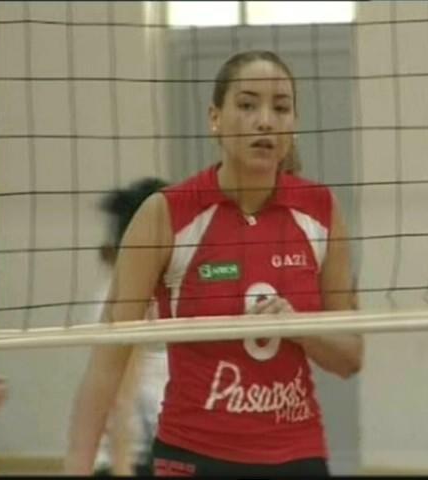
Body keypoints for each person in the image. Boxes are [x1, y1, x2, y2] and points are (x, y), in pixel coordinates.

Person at [65, 50, 362, 477]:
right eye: (247, 105)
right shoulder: (166, 214)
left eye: (281, 108)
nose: (265, 121)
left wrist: (299, 327)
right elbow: (107, 363)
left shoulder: (320, 209)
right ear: (215, 118)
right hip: (194, 455)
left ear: (293, 123)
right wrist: (77, 467)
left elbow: (350, 358)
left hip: (296, 454)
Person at [91, 178, 170, 476]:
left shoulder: (164, 283)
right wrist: (122, 467)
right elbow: (120, 396)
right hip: (135, 456)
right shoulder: (125, 296)